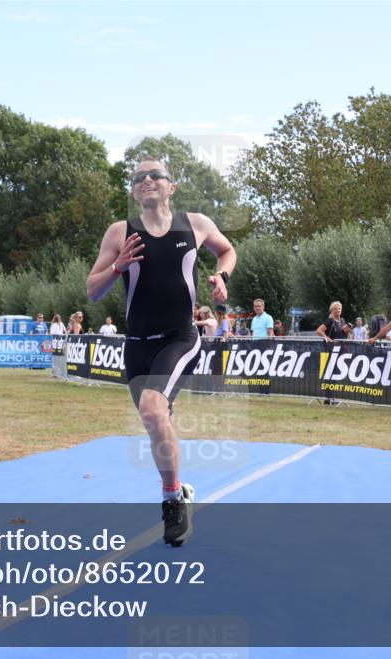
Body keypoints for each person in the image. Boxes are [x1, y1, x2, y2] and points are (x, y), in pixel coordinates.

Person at [86, 158, 236, 547]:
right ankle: (180, 487)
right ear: (135, 191)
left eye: (155, 175)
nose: (147, 180)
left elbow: (227, 251)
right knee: (157, 421)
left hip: (180, 338)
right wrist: (117, 267)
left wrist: (221, 276)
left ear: (171, 186)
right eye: (139, 178)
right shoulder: (120, 233)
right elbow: (92, 290)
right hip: (136, 347)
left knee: (153, 411)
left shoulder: (196, 223)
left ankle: (171, 500)